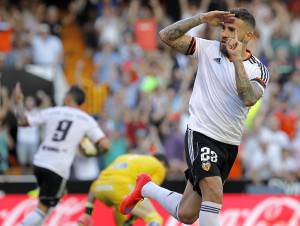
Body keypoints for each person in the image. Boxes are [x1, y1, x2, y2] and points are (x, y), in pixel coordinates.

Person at [120, 8, 269, 226]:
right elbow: (166, 36)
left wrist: (237, 60)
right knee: (214, 190)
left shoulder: (258, 69)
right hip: (201, 133)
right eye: (224, 28)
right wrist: (200, 19)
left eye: (232, 30)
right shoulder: (208, 49)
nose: (225, 34)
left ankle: (146, 187)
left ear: (248, 37)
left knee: (188, 214)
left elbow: (248, 98)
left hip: (229, 144)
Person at [13, 83, 110, 226]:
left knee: (49, 203)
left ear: (69, 98)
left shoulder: (53, 111)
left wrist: (19, 102)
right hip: (57, 167)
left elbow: (22, 121)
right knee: (44, 208)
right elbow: (105, 145)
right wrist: (91, 153)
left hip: (40, 162)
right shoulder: (86, 119)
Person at [77, 153, 168, 226]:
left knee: (120, 212)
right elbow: (145, 192)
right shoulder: (160, 166)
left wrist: (87, 213)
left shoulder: (124, 157)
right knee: (154, 217)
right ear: (163, 163)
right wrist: (132, 219)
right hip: (120, 188)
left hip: (99, 188)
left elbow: (94, 186)